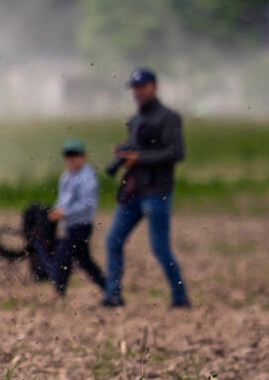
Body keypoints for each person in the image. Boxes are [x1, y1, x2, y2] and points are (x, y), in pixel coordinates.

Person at [102, 67, 190, 309]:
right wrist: (125, 153)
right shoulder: (136, 120)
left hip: (157, 192)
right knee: (113, 241)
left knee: (160, 247)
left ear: (154, 87)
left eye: (142, 87)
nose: (138, 92)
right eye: (135, 88)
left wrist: (139, 158)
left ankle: (180, 297)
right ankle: (113, 295)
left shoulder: (169, 118)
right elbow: (138, 147)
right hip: (134, 191)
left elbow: (176, 152)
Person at [48, 138, 104, 297]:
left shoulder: (88, 177)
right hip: (69, 225)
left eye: (75, 155)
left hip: (82, 225)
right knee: (84, 261)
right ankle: (108, 287)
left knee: (63, 256)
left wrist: (64, 213)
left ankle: (58, 291)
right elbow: (62, 200)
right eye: (69, 156)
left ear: (84, 157)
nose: (72, 159)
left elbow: (88, 204)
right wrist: (56, 211)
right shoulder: (66, 176)